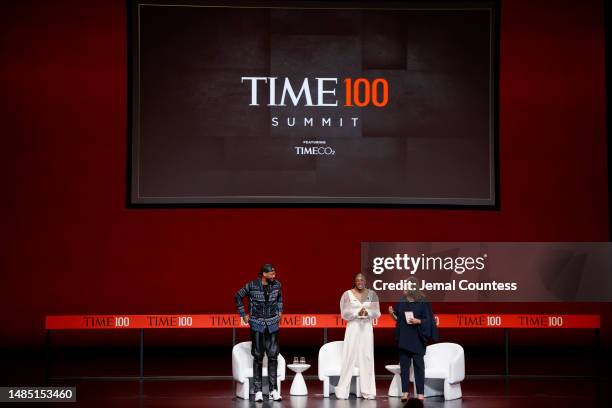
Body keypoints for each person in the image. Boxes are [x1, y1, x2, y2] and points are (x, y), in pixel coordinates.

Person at [234, 264, 283, 402]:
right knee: (258, 356)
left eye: (274, 273)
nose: (274, 276)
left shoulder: (277, 285)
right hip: (257, 324)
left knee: (273, 356)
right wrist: (243, 313)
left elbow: (280, 298)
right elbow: (237, 296)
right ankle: (258, 391)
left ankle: (274, 390)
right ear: (264, 274)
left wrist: (280, 311)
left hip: (273, 324)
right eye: (271, 274)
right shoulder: (251, 286)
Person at [389, 278, 438, 402]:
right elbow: (397, 318)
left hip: (417, 338)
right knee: (404, 367)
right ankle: (405, 392)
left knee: (419, 367)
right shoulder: (402, 300)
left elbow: (429, 320)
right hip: (404, 337)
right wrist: (391, 314)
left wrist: (418, 321)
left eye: (407, 286)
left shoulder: (423, 301)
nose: (404, 288)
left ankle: (420, 393)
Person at [335, 273, 381, 400]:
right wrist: (356, 313)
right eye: (357, 280)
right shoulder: (347, 294)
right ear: (354, 281)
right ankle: (343, 390)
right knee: (349, 355)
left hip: (366, 327)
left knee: (367, 356)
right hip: (353, 327)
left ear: (365, 281)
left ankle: (368, 391)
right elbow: (344, 313)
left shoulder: (372, 294)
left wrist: (368, 312)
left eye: (362, 280)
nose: (360, 282)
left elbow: (377, 312)